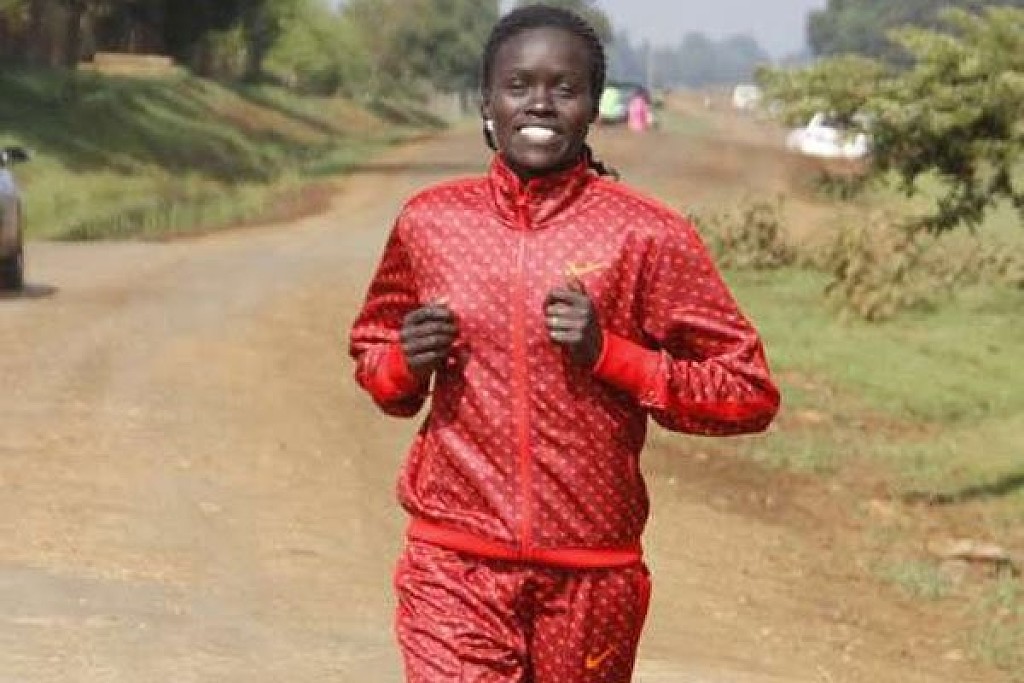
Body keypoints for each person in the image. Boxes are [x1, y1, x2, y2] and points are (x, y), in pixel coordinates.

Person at [348, 6, 780, 682]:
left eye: (565, 88)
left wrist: (612, 355)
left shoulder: (646, 235)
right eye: (518, 85)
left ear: (593, 106)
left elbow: (747, 392)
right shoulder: (431, 222)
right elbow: (375, 361)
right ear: (487, 101)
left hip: (592, 575)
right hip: (454, 563)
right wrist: (406, 360)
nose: (540, 103)